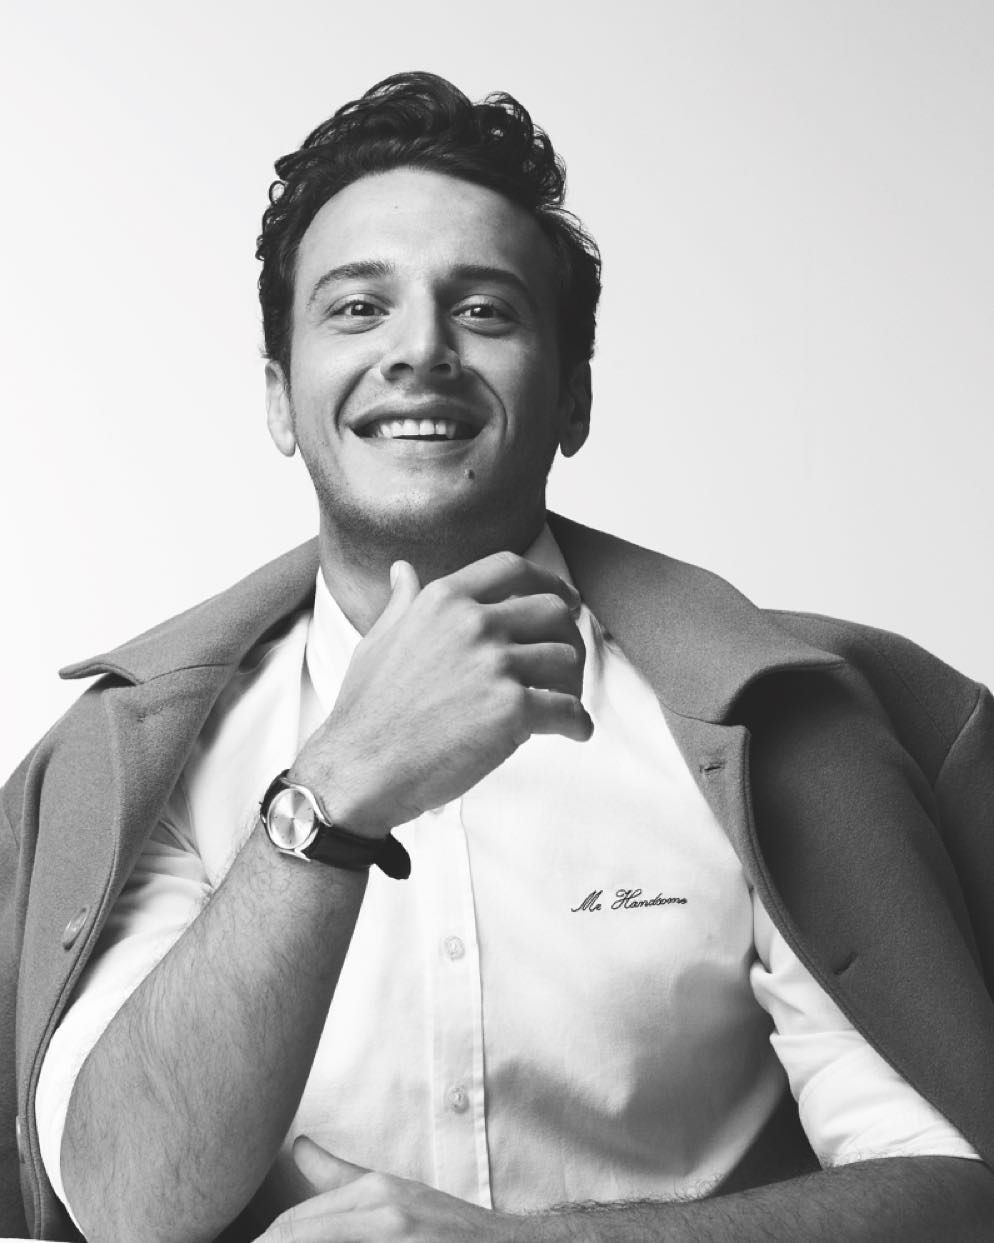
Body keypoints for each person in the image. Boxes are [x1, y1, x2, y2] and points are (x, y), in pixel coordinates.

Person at [2, 72, 993, 1243]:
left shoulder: (764, 728)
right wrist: (333, 795)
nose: (419, 350)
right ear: (278, 397)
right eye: (357, 308)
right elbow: (127, 1203)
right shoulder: (150, 752)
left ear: (572, 398)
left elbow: (952, 1187)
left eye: (482, 310)